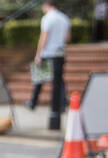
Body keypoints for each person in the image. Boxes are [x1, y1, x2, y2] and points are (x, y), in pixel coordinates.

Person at [28, 0, 71, 131]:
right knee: (59, 81)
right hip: (59, 53)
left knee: (40, 78)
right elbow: (67, 37)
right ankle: (61, 104)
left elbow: (44, 37)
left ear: (47, 5)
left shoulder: (47, 18)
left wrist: (38, 54)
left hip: (48, 54)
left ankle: (34, 102)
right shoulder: (64, 18)